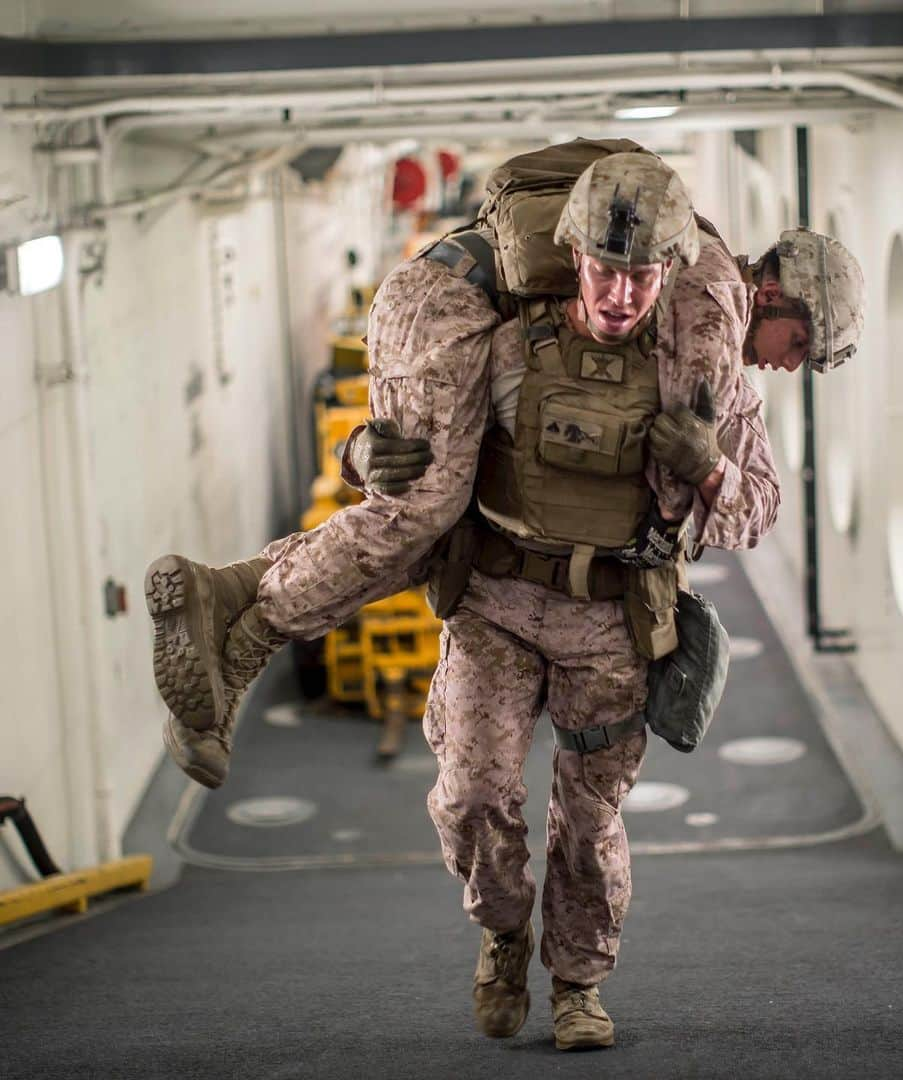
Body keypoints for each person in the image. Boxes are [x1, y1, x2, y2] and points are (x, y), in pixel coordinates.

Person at [145, 145, 863, 1050]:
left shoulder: (709, 375)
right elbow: (420, 455)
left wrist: (710, 470)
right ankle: (502, 931)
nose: (622, 296)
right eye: (606, 271)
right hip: (496, 601)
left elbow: (755, 508)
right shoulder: (505, 336)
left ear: (671, 274)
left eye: (643, 278)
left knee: (591, 822)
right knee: (474, 798)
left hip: (611, 620)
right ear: (573, 256)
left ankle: (577, 984)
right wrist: (362, 451)